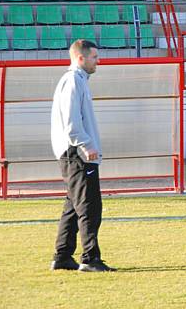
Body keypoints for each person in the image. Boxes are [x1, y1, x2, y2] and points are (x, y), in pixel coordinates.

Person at [50, 39, 115, 272]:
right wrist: (86, 144)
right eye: (95, 57)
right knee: (89, 207)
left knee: (73, 205)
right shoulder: (73, 81)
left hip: (74, 151)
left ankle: (62, 256)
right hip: (77, 153)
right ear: (81, 58)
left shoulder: (78, 81)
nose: (98, 61)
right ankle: (90, 258)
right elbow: (71, 121)